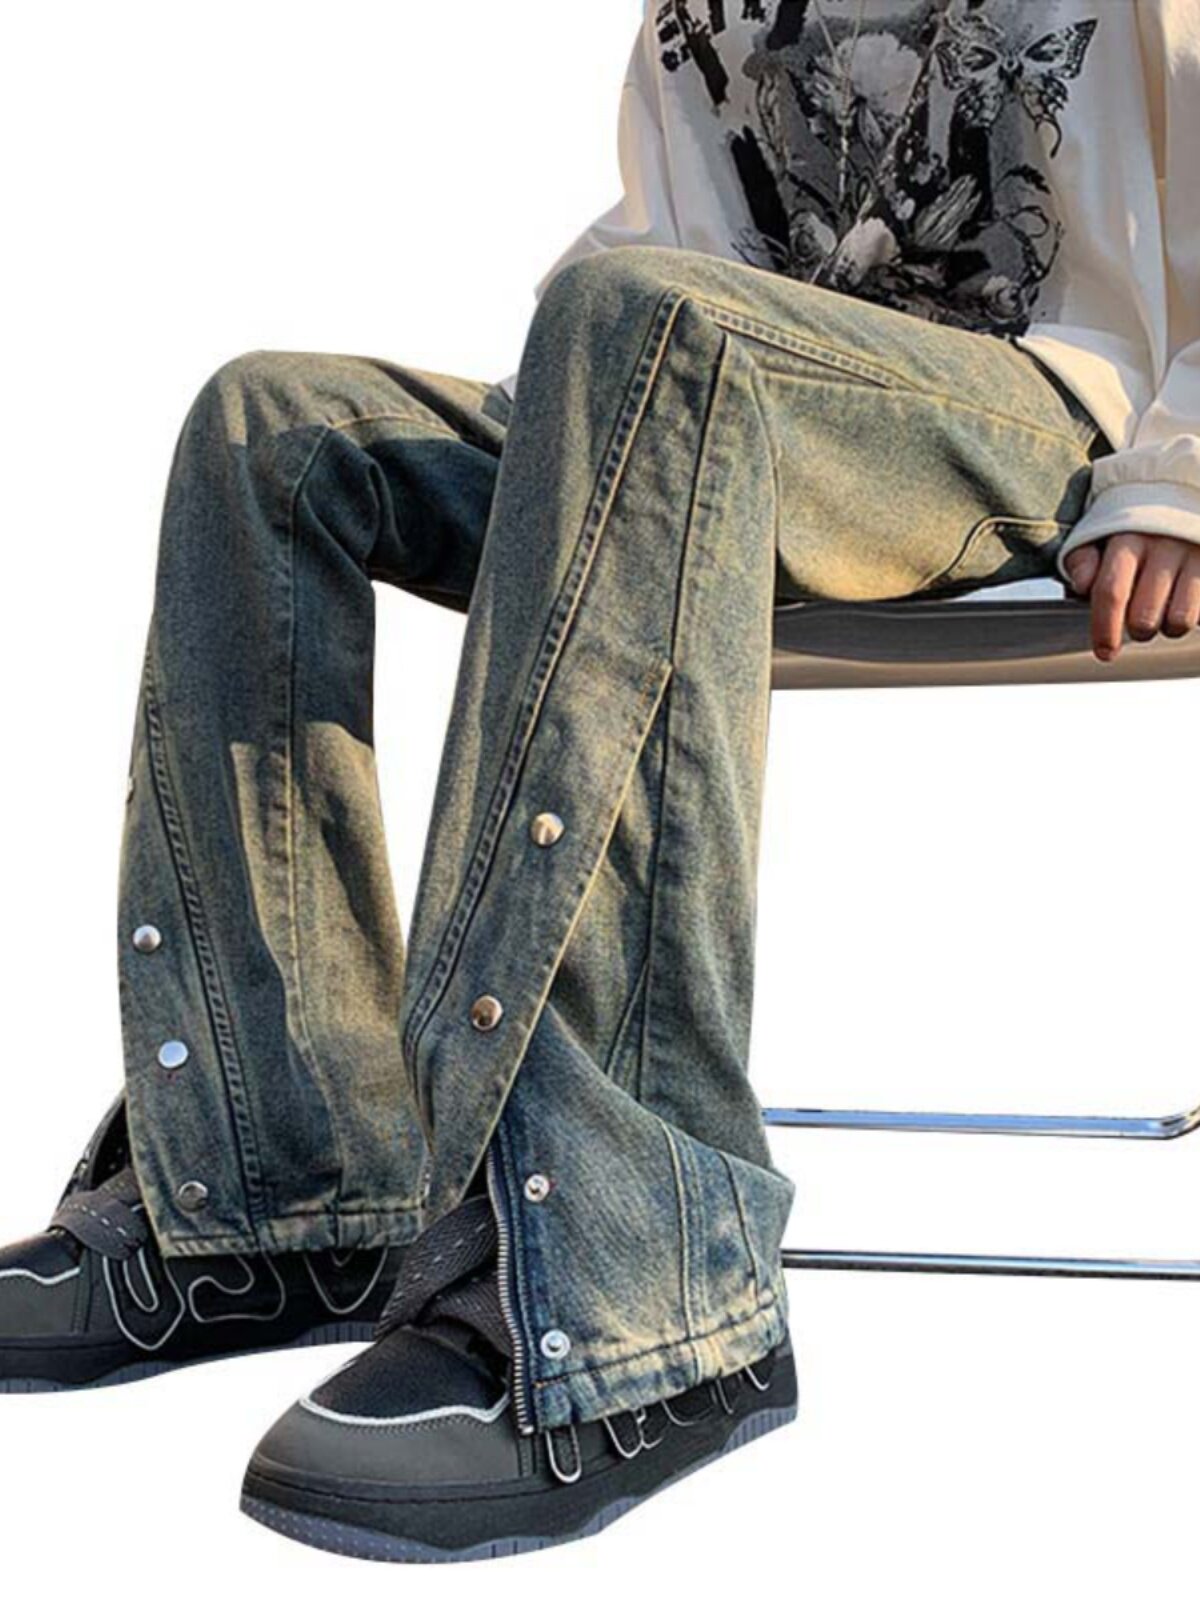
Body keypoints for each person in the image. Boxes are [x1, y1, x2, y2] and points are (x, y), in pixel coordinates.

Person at [2, 0, 1196, 1564]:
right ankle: (277, 1191)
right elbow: (668, 245)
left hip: (1043, 420)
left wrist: (1182, 471)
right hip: (717, 394)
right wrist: (585, 407)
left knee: (647, 326)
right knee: (276, 429)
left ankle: (645, 1284)